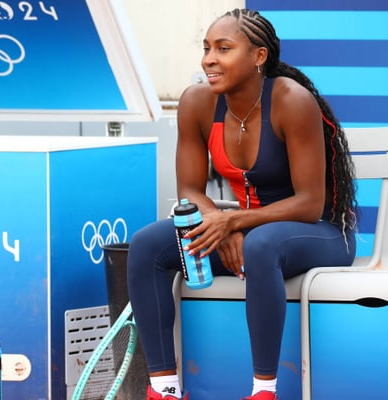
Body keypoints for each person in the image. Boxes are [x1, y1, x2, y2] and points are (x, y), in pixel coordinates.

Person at [127, 8, 357, 400]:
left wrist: (234, 224)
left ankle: (263, 391)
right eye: (206, 48)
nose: (209, 59)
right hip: (248, 232)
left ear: (258, 56)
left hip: (320, 232)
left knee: (261, 244)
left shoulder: (292, 101)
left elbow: (309, 203)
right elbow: (190, 190)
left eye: (223, 48)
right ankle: (164, 389)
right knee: (148, 245)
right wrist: (221, 224)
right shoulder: (197, 102)